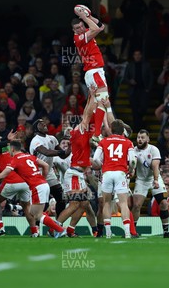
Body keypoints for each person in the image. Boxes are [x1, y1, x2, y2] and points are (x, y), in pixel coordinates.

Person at [0, 141, 66, 237]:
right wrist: (42, 179)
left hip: (37, 187)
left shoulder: (15, 159)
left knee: (38, 215)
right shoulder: (29, 156)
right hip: (43, 185)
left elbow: (3, 174)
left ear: (12, 149)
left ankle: (59, 230)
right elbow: (46, 165)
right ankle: (47, 230)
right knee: (32, 211)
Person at [55, 92, 97, 237]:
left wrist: (91, 96)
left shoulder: (76, 133)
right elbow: (88, 113)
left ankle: (70, 230)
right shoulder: (80, 131)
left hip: (77, 174)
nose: (86, 122)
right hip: (74, 174)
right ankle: (56, 228)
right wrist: (94, 95)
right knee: (74, 204)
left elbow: (86, 112)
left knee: (84, 204)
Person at [93, 119, 137, 238]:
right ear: (122, 130)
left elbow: (96, 159)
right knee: (123, 203)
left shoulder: (104, 141)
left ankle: (107, 233)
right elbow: (133, 160)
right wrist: (131, 169)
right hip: (120, 173)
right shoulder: (128, 142)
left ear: (111, 130)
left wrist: (103, 166)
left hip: (107, 173)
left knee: (106, 202)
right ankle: (127, 232)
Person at [72, 6, 108, 142]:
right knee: (103, 99)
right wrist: (84, 17)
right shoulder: (79, 38)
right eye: (77, 28)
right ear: (74, 31)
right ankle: (96, 132)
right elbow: (96, 29)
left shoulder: (86, 31)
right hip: (93, 70)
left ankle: (87, 127)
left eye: (81, 26)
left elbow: (101, 26)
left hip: (95, 71)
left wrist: (89, 16)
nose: (80, 29)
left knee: (97, 100)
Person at [0, 146, 35, 237]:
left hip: (11, 183)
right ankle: (35, 231)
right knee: (26, 206)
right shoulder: (24, 156)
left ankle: (1, 228)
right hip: (25, 183)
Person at [131, 129, 169, 238]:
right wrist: (132, 170)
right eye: (138, 137)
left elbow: (155, 166)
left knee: (163, 203)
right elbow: (133, 164)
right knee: (136, 205)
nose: (139, 139)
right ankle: (133, 231)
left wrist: (156, 180)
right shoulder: (133, 151)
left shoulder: (153, 149)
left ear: (148, 139)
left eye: (142, 137)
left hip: (154, 178)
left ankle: (166, 231)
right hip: (141, 180)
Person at [29, 118, 69, 217]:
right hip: (37, 172)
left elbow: (63, 156)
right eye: (40, 123)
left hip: (49, 171)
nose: (44, 124)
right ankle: (36, 227)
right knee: (41, 201)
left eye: (44, 122)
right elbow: (47, 152)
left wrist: (71, 145)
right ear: (35, 128)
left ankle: (58, 224)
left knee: (61, 197)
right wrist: (63, 151)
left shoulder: (52, 138)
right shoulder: (35, 140)